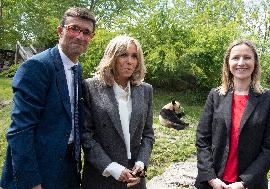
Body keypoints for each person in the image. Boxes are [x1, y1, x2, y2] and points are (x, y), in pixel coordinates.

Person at [0, 7, 96, 189]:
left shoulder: (77, 69)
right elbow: (20, 130)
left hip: (68, 166)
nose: (79, 36)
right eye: (73, 28)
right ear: (60, 31)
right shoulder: (37, 67)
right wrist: (32, 182)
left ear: (91, 37)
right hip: (38, 169)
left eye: (86, 32)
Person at [195, 39, 270, 189]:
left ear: (255, 63)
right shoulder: (215, 96)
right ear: (228, 63)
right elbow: (202, 139)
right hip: (214, 182)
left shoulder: (269, 99)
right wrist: (211, 178)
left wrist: (245, 182)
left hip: (250, 184)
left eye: (247, 57)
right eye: (235, 58)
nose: (241, 62)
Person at [81, 35, 155, 189]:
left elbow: (148, 135)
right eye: (124, 55)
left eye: (134, 56)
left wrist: (141, 163)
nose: (130, 61)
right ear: (112, 57)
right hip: (101, 176)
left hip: (135, 178)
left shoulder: (145, 90)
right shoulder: (90, 87)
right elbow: (86, 136)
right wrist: (113, 168)